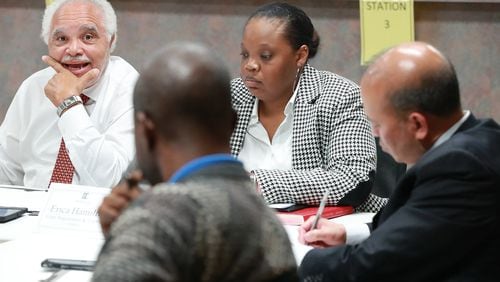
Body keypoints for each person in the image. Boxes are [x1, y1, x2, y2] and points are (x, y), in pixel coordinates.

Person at [93, 42, 298, 282]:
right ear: (232, 124)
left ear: (147, 131)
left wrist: (129, 238)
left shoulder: (154, 225)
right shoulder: (271, 224)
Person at [298, 42, 500, 281]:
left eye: (378, 124)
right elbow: (415, 225)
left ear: (418, 125)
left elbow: (376, 264)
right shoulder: (484, 136)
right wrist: (345, 234)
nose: (374, 133)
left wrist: (297, 258)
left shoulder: (460, 167)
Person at [230, 2, 384, 211]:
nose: (250, 65)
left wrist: (256, 183)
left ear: (300, 56)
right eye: (245, 54)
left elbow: (353, 179)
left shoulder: (340, 96)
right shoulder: (228, 98)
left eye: (265, 56)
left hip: (325, 231)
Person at [0, 0, 137, 188]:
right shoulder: (33, 87)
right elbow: (6, 170)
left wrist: (69, 104)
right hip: (33, 213)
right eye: (62, 39)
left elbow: (111, 181)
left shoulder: (131, 88)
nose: (73, 50)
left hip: (98, 215)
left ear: (111, 40)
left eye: (88, 37)